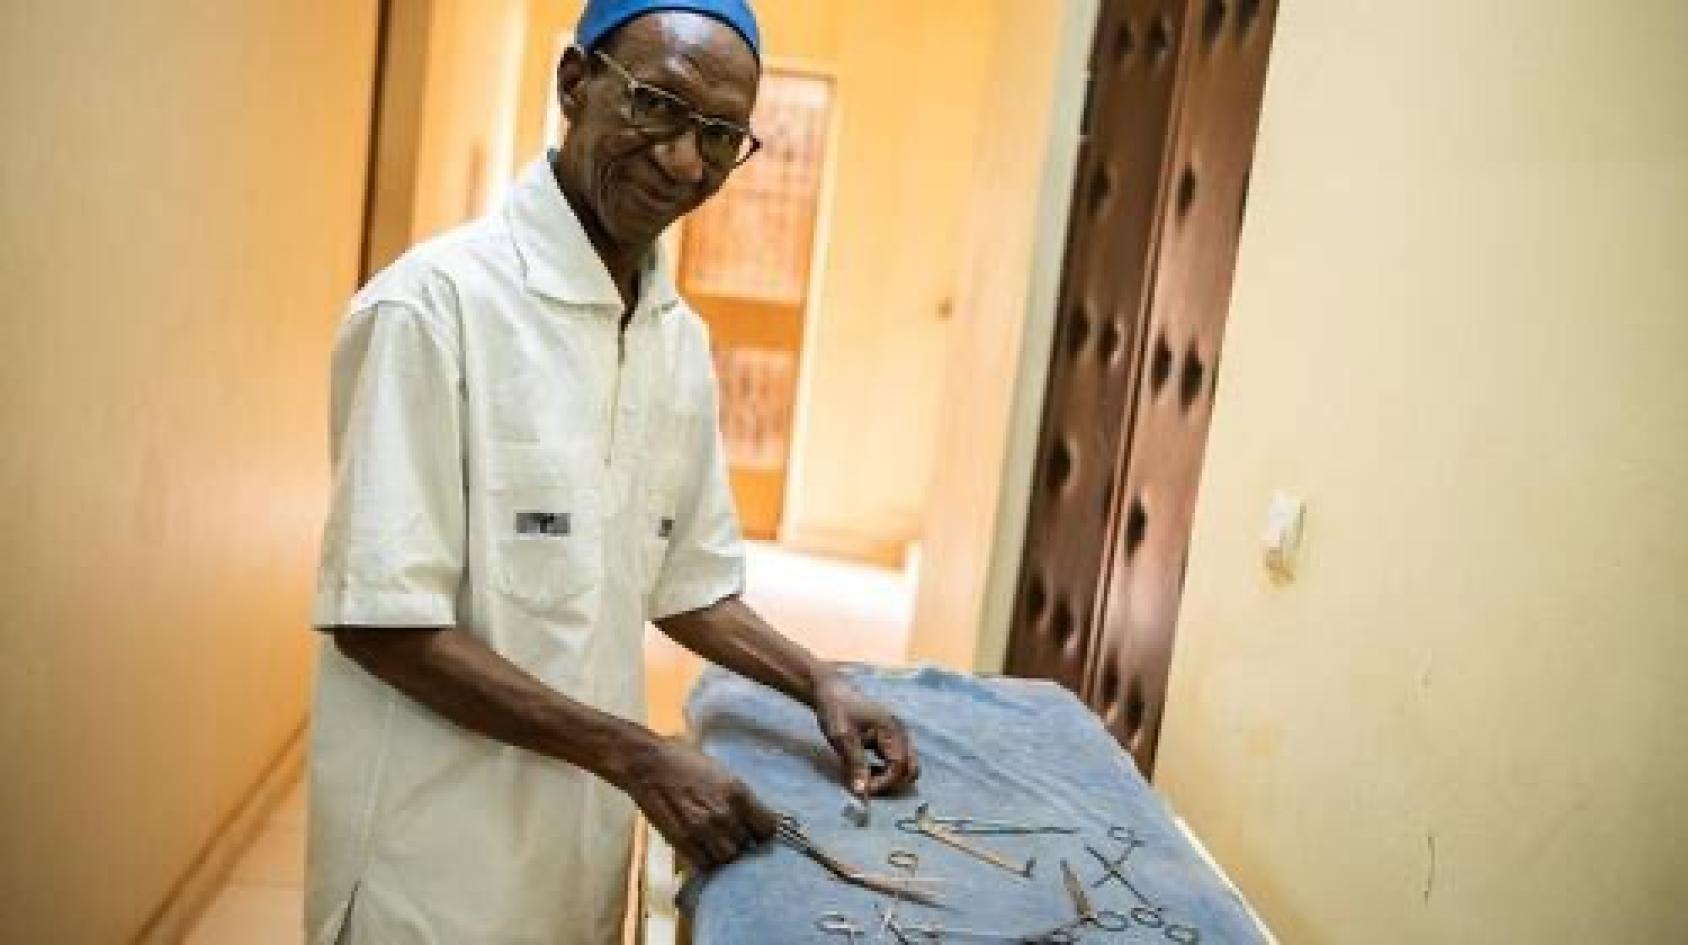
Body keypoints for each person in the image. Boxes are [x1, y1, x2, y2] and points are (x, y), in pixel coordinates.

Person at [305, 1, 919, 941]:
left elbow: (685, 585)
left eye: (720, 136)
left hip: (575, 861)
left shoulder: (675, 339)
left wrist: (820, 682)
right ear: (574, 83)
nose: (683, 160)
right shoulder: (432, 311)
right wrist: (637, 754)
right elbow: (381, 624)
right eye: (657, 105)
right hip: (430, 872)